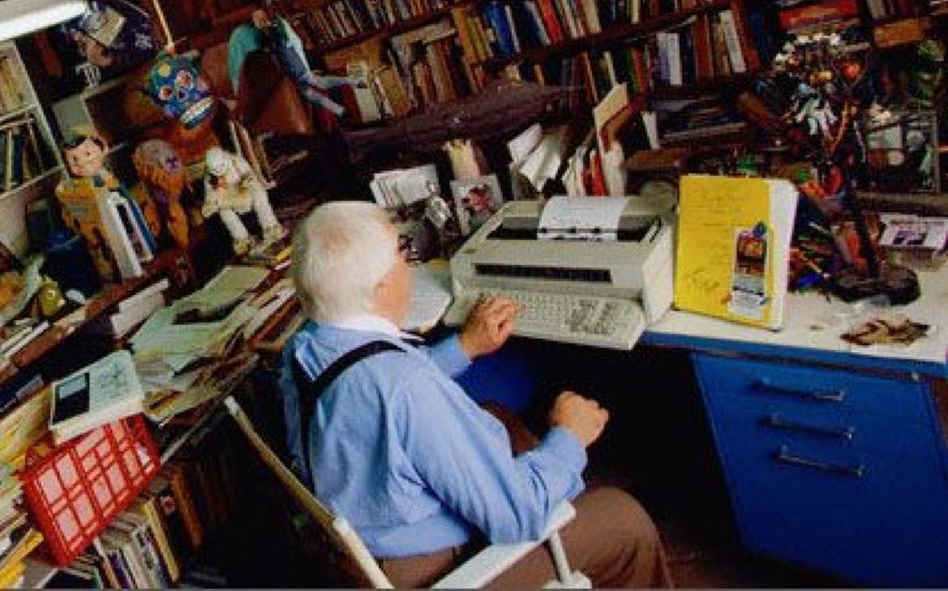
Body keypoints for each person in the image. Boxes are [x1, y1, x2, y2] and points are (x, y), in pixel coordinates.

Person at [279, 201, 672, 588]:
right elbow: (516, 515)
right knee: (623, 518)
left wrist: (464, 346)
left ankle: (544, 484)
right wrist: (571, 437)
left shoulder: (307, 346)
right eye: (402, 250)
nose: (407, 262)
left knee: (496, 415)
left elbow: (375, 387)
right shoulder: (408, 385)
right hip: (431, 573)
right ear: (382, 282)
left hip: (357, 547)